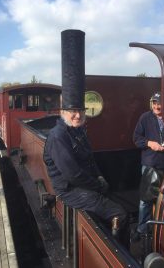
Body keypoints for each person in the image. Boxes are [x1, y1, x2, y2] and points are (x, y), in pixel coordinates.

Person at [43, 29, 129, 246]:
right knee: (121, 213)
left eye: (80, 110)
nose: (77, 114)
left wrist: (100, 178)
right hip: (70, 190)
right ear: (62, 112)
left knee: (116, 200)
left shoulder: (78, 131)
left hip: (84, 185)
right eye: (72, 110)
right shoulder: (58, 136)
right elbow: (72, 174)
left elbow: (89, 160)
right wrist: (97, 186)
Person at [132, 92, 164, 241]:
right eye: (154, 103)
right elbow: (136, 138)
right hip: (150, 164)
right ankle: (143, 229)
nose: (157, 106)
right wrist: (149, 143)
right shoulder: (145, 118)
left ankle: (163, 231)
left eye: (159, 103)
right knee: (145, 200)